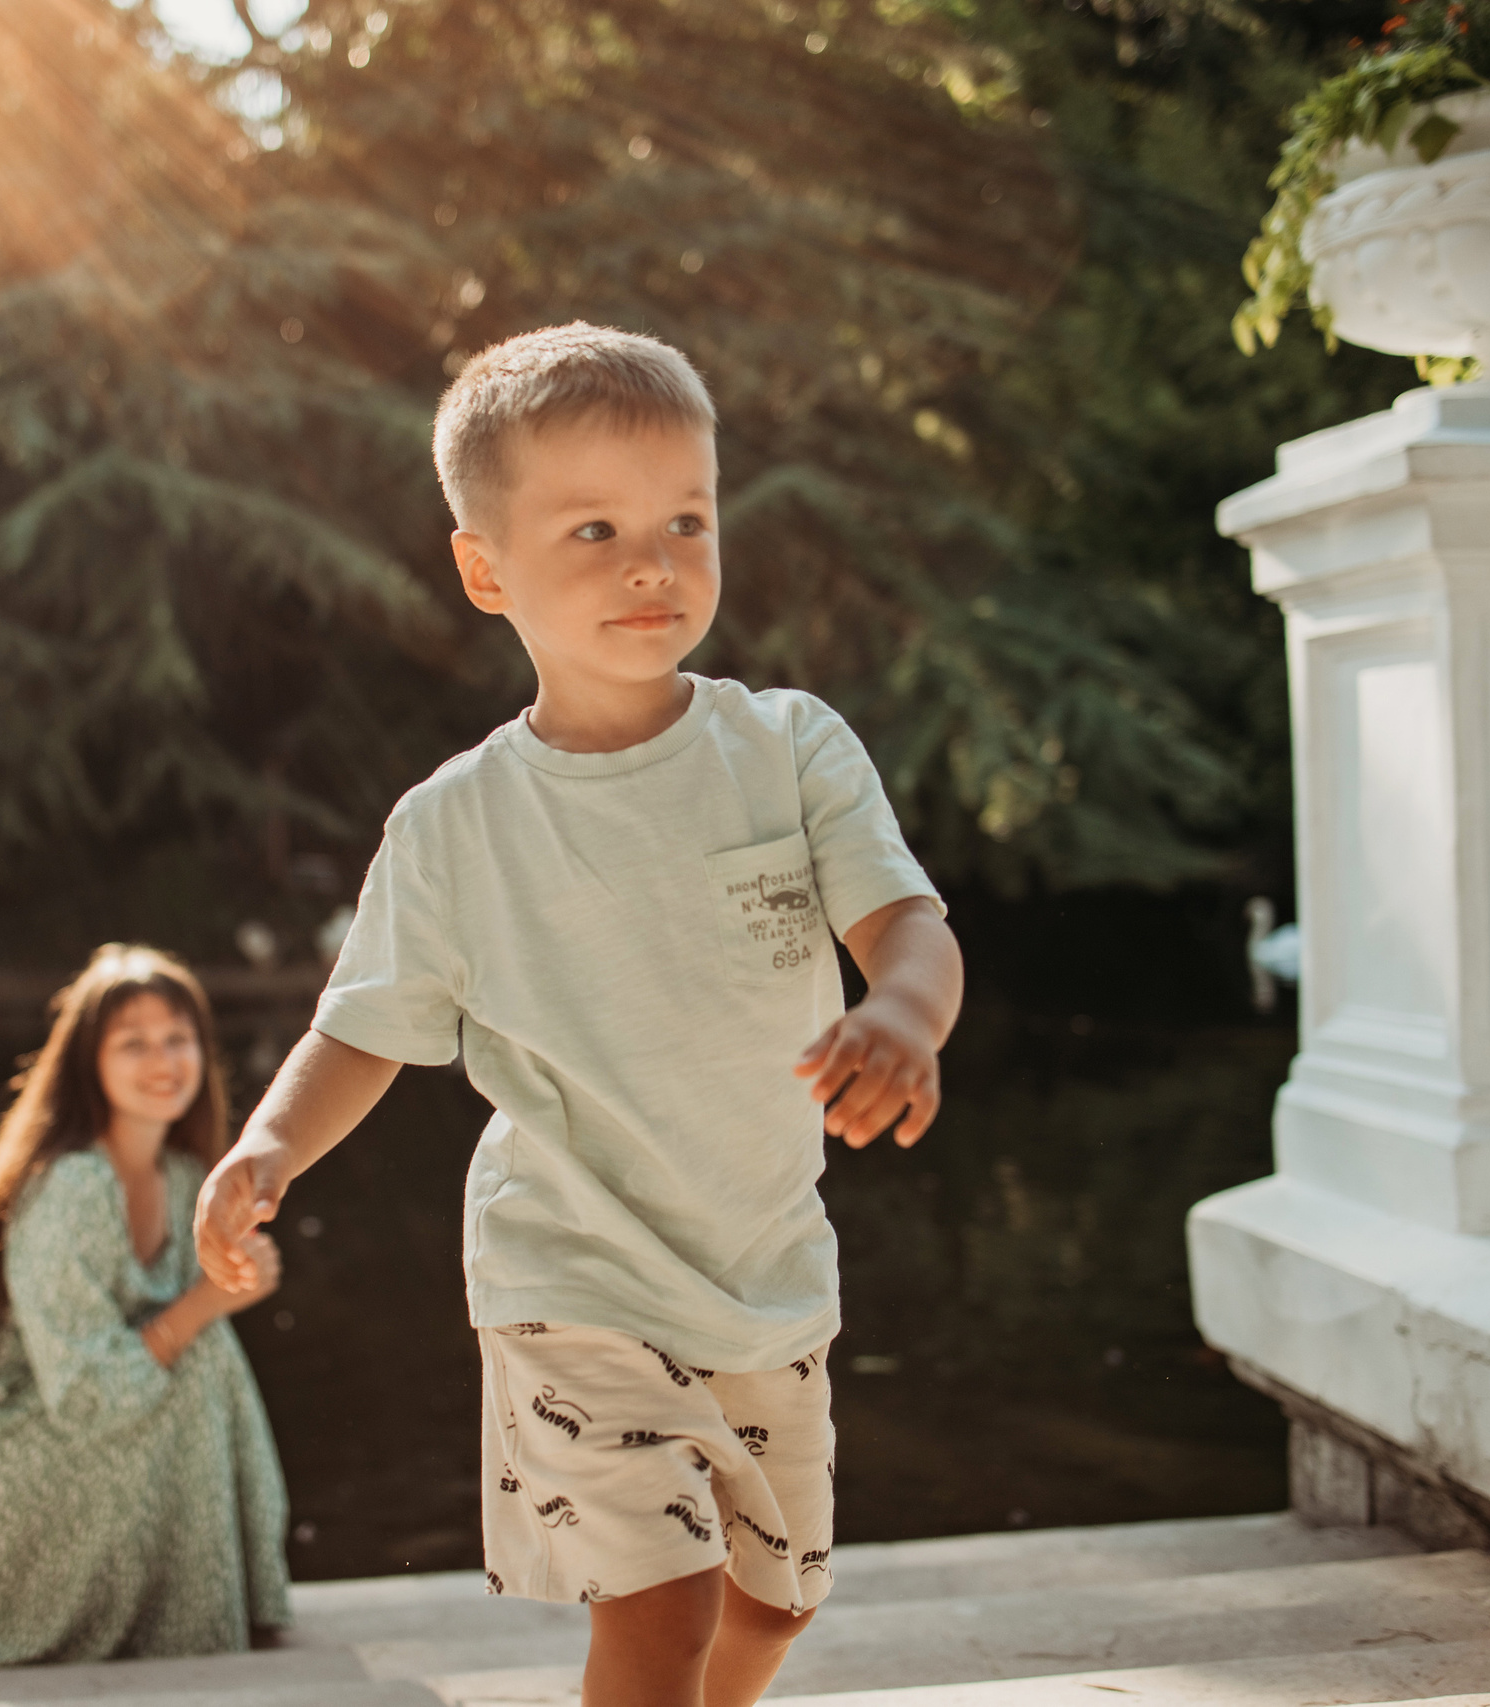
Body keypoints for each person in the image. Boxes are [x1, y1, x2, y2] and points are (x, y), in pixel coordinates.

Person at [195, 324, 964, 1707]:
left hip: (765, 1267)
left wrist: (903, 1011)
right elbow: (363, 1026)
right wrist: (268, 1143)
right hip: (571, 1279)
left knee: (772, 1602)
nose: (652, 562)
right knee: (658, 1604)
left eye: (685, 519)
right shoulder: (455, 826)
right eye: (596, 529)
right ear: (487, 570)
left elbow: (908, 922)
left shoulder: (790, 749)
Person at [0, 943, 291, 1666]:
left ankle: (224, 1603)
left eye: (177, 1038)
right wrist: (208, 1299)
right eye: (132, 1042)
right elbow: (86, 1394)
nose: (162, 1060)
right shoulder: (72, 1185)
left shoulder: (184, 1175)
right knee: (199, 1353)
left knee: (207, 1355)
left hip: (77, 1412)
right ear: (88, 1063)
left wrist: (219, 1292)